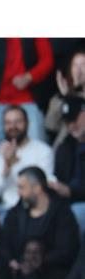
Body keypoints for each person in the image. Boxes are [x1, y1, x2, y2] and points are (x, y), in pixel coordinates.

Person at [0, 38, 53, 163]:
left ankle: (38, 181)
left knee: (37, 144)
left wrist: (29, 77)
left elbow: (47, 60)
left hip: (28, 97)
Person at [0, 166, 80, 278]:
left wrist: (38, 262)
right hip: (18, 274)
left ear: (37, 188)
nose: (19, 193)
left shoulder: (62, 213)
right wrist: (11, 260)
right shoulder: (16, 213)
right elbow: (5, 243)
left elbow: (67, 249)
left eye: (22, 188)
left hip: (52, 274)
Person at [0, 106, 56, 213]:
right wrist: (7, 166)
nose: (13, 127)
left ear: (27, 123)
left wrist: (16, 163)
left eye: (18, 122)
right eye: (8, 123)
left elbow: (44, 186)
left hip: (32, 209)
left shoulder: (43, 151)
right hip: (5, 209)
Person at [51, 96, 85, 233]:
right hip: (67, 203)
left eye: (75, 119)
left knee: (75, 214)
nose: (71, 125)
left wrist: (71, 191)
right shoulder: (65, 146)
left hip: (79, 203)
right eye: (67, 121)